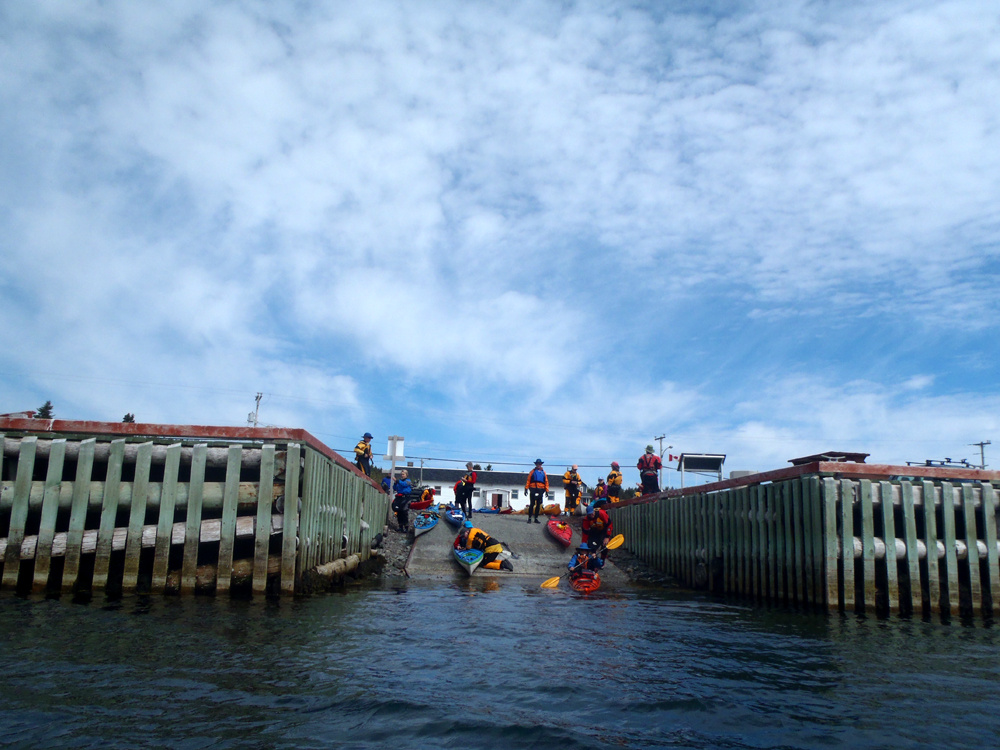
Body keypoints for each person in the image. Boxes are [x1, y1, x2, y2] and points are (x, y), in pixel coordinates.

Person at [525, 459, 548, 524]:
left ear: (541, 464)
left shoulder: (544, 472)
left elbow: (546, 481)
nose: (539, 465)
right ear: (536, 464)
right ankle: (529, 518)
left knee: (538, 505)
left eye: (540, 464)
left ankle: (536, 518)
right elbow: (528, 480)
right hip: (533, 488)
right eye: (538, 464)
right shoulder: (532, 472)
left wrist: (546, 490)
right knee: (532, 504)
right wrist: (526, 489)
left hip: (541, 489)